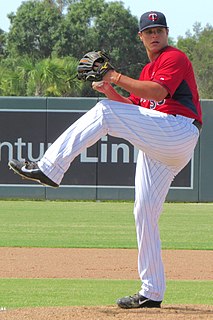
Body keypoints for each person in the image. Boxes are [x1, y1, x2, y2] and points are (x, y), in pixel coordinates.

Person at [8, 11, 202, 308]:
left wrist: (116, 77)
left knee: (103, 111)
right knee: (144, 211)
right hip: (160, 140)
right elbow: (133, 110)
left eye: (159, 30)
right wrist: (111, 89)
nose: (154, 35)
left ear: (166, 33)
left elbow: (159, 92)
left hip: (178, 130)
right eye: (149, 31)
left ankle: (50, 167)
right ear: (141, 37)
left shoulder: (174, 57)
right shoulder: (147, 70)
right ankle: (152, 292)